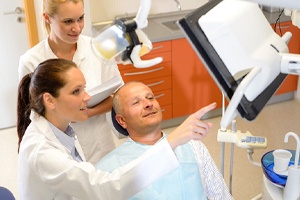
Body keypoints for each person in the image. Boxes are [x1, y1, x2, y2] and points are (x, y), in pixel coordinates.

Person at [17, 58, 219, 199]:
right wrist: (173, 140)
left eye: (84, 88)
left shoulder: (62, 128)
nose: (87, 97)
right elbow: (107, 187)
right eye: (76, 91)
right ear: (49, 100)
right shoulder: (42, 151)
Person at [18, 0, 122, 164]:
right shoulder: (31, 61)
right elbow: (34, 115)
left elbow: (118, 96)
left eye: (80, 18)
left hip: (100, 144)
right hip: (57, 151)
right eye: (68, 21)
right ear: (47, 18)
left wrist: (86, 113)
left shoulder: (98, 48)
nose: (77, 28)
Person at [96, 81, 233, 199]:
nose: (148, 104)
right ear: (122, 120)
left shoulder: (193, 147)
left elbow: (220, 196)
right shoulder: (108, 169)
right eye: (136, 102)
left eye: (150, 97)